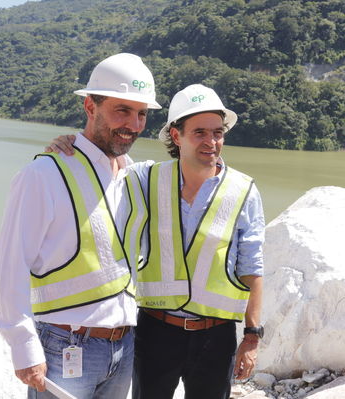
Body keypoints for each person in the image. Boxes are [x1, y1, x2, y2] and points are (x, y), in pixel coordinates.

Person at [48, 84, 265, 399]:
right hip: (156, 331)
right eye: (200, 132)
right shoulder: (146, 179)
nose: (212, 141)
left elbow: (252, 266)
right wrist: (70, 144)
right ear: (176, 136)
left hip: (215, 337)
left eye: (217, 132)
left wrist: (252, 337)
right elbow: (105, 166)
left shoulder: (244, 191)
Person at [0, 52, 161, 399]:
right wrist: (24, 347)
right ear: (90, 107)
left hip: (124, 346)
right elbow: (10, 266)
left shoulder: (136, 176)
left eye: (141, 113)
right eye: (122, 110)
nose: (134, 124)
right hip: (64, 345)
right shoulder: (43, 174)